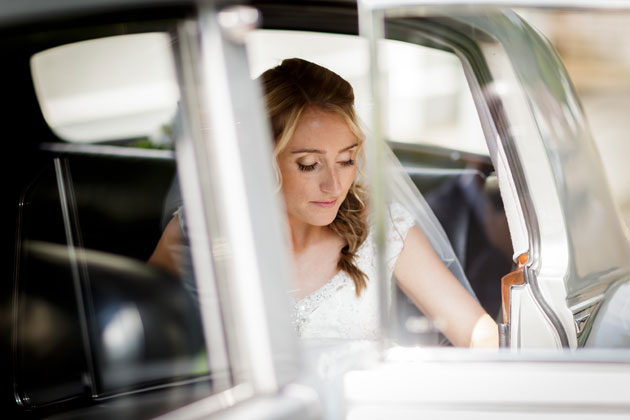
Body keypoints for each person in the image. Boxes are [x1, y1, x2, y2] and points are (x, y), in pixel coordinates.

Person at [150, 58, 498, 347]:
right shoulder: (201, 232)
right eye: (308, 164)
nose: (335, 185)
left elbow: (477, 332)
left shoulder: (383, 229)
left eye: (346, 160)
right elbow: (144, 335)